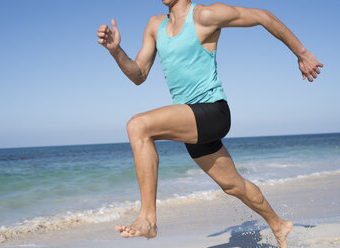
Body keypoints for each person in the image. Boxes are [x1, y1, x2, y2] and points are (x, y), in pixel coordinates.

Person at [96, 0, 323, 247]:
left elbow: (263, 16)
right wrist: (116, 51)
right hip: (190, 121)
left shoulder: (205, 16)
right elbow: (138, 74)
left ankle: (148, 219)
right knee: (234, 186)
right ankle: (280, 225)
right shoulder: (155, 25)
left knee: (138, 126)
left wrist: (302, 53)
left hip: (213, 112)